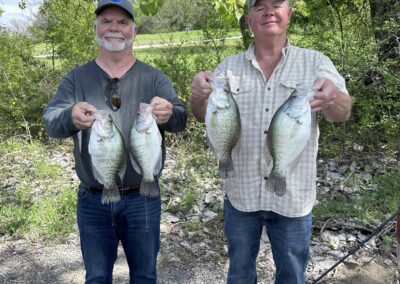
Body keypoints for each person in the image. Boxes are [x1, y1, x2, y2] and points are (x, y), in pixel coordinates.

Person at [191, 0, 352, 283]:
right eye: (259, 6)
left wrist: (334, 98)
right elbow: (202, 114)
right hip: (241, 194)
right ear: (248, 20)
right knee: (239, 273)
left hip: (293, 198)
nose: (269, 11)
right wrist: (198, 94)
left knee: (291, 275)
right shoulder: (228, 68)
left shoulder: (315, 63)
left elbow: (342, 113)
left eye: (277, 4)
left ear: (288, 14)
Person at [43, 0, 187, 283]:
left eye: (122, 22)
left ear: (133, 30)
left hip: (142, 197)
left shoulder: (153, 77)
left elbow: (181, 119)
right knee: (96, 277)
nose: (114, 28)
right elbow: (51, 122)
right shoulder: (76, 78)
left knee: (145, 276)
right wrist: (69, 117)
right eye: (107, 21)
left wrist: (170, 114)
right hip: (93, 199)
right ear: (96, 28)